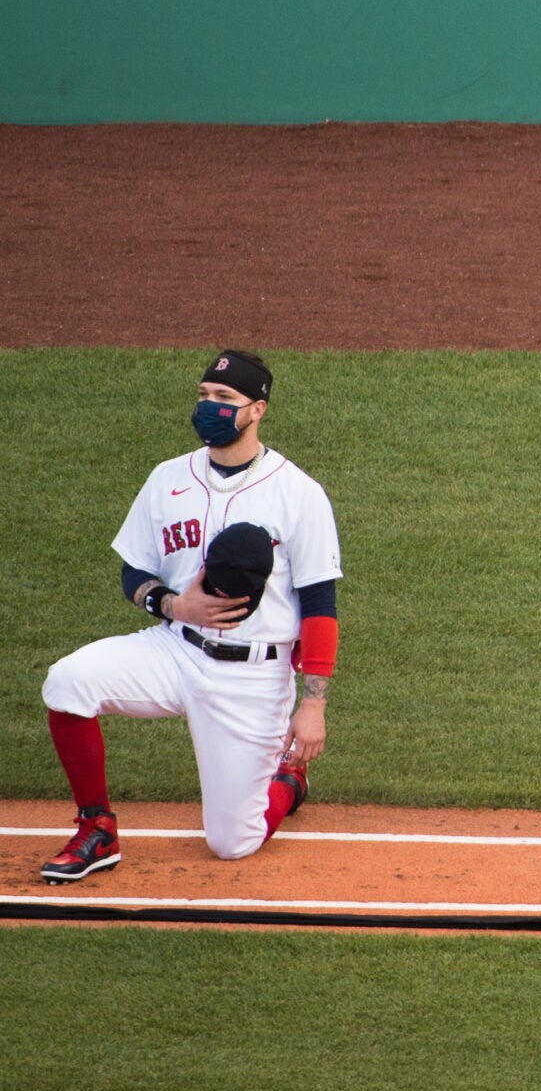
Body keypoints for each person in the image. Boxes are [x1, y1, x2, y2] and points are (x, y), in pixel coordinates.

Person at [38, 350, 339, 882]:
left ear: (258, 410)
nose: (210, 407)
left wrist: (312, 706)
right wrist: (174, 605)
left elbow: (320, 608)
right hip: (174, 649)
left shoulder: (298, 493)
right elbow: (134, 572)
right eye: (204, 395)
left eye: (225, 399)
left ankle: (289, 779)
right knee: (67, 681)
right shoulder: (167, 478)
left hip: (252, 676)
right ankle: (97, 827)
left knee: (232, 843)